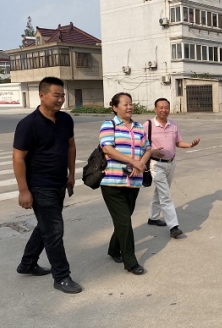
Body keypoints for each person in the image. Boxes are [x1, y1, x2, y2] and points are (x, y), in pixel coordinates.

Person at [13, 76, 82, 294]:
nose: (60, 99)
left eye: (62, 95)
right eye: (56, 95)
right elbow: (18, 158)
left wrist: (71, 174)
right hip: (39, 185)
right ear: (42, 95)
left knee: (46, 226)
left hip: (59, 182)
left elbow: (71, 146)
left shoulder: (65, 120)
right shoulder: (28, 125)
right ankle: (61, 276)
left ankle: (27, 263)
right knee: (54, 230)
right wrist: (24, 190)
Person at [99, 92, 151, 275]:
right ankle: (130, 262)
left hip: (133, 182)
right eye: (125, 104)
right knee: (125, 222)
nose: (129, 107)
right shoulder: (109, 125)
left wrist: (141, 163)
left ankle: (113, 249)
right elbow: (107, 148)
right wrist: (133, 162)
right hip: (112, 182)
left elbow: (148, 148)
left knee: (124, 219)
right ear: (114, 107)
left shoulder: (138, 127)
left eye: (131, 104)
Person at [144, 98, 200, 238]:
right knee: (166, 195)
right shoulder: (147, 125)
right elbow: (140, 145)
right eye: (161, 107)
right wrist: (152, 151)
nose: (164, 110)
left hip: (171, 163)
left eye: (166, 107)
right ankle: (173, 227)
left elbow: (178, 142)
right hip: (156, 164)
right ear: (155, 109)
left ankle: (153, 217)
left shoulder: (173, 125)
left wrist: (190, 145)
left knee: (161, 191)